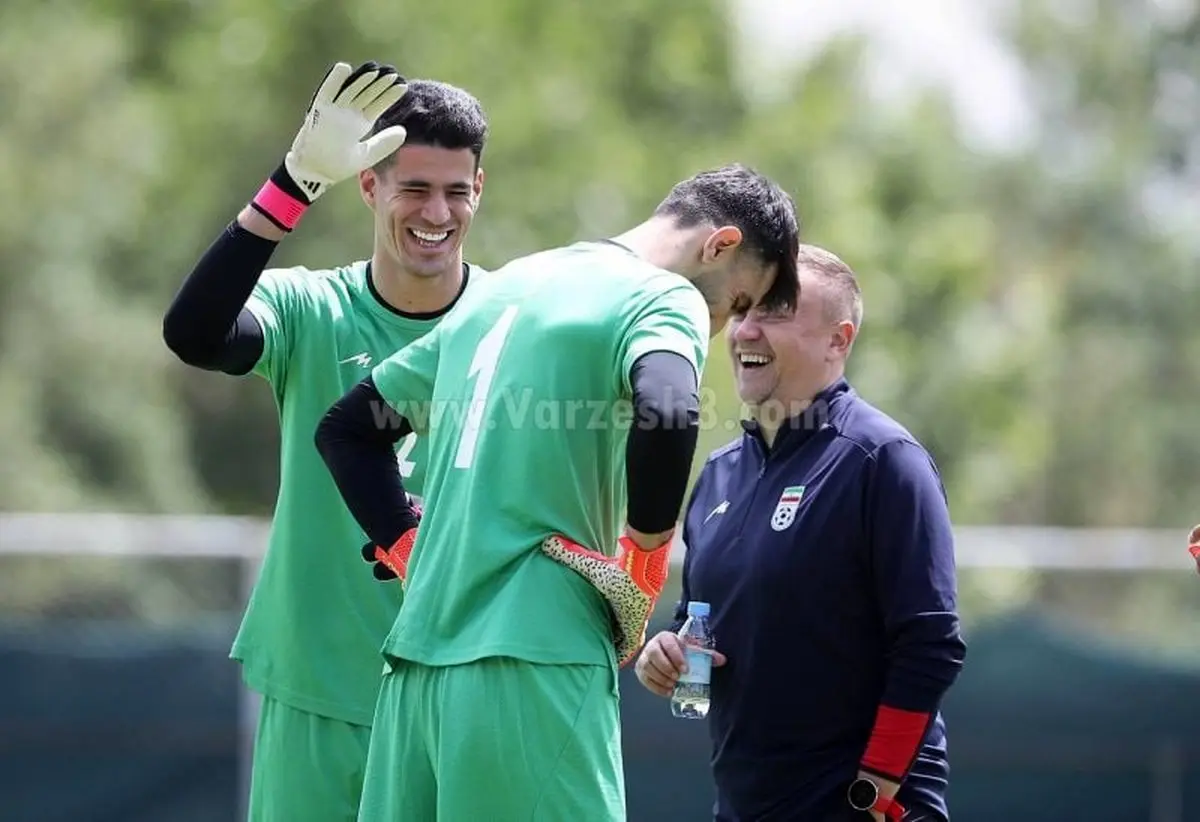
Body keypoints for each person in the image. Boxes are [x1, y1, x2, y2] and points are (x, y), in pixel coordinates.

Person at [313, 163, 801, 821]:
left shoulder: (505, 284)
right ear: (720, 245)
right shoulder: (661, 294)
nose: (727, 327)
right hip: (534, 660)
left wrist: (408, 545)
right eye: (738, 303)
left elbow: (347, 431)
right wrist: (646, 558)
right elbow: (669, 410)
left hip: (413, 673)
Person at [161, 61, 490, 821]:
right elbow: (194, 333)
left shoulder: (512, 319)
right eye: (413, 187)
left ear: (480, 190)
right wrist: (293, 183)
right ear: (369, 186)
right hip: (321, 688)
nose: (436, 212)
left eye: (456, 190)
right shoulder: (311, 307)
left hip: (462, 685)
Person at [635, 244, 968, 822]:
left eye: (777, 313)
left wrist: (875, 789)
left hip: (862, 807)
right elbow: (698, 622)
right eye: (744, 311)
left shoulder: (882, 460)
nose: (747, 331)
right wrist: (665, 655)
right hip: (743, 806)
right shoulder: (717, 474)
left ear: (839, 340)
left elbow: (931, 644)